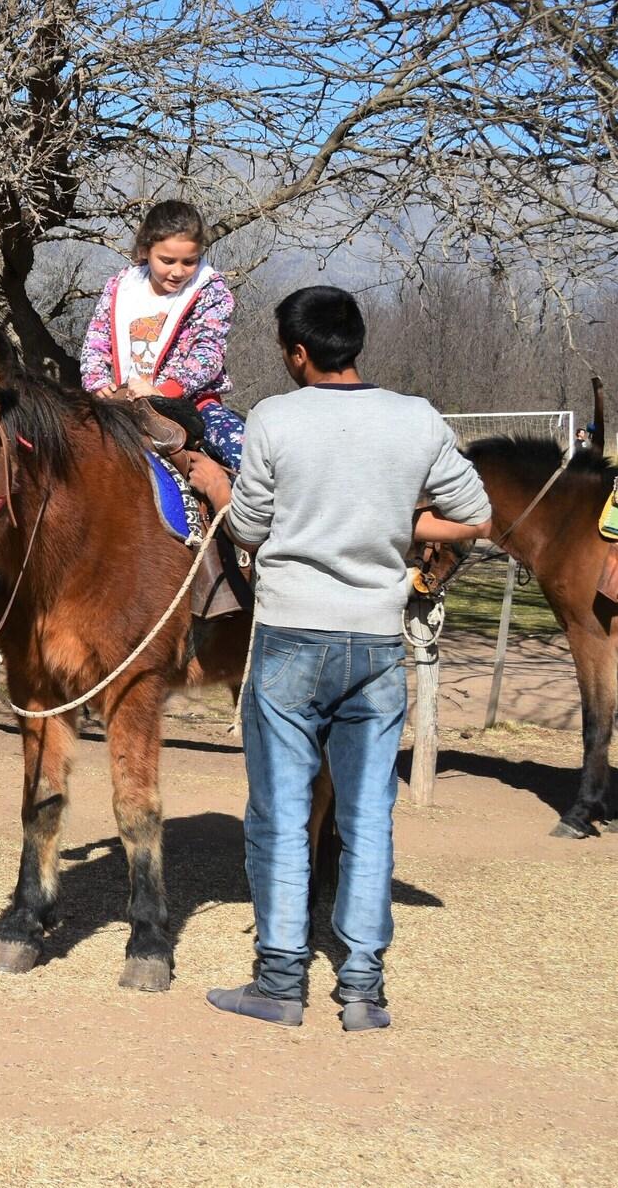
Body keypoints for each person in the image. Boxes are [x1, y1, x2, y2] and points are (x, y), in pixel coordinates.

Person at [183, 286, 491, 1032]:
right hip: (377, 643)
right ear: (354, 344)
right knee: (365, 816)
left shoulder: (275, 418)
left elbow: (250, 526)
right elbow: (475, 513)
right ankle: (362, 991)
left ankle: (280, 980)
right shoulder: (415, 418)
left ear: (296, 352)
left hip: (292, 637)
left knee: (281, 814)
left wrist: (217, 481)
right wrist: (399, 518)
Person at [80, 200, 246, 469]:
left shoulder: (209, 290)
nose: (179, 271)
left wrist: (166, 388)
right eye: (167, 261)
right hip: (124, 402)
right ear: (146, 250)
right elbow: (97, 340)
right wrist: (97, 382)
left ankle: (249, 509)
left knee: (240, 451)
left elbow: (208, 352)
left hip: (194, 402)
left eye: (190, 261)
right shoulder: (121, 287)